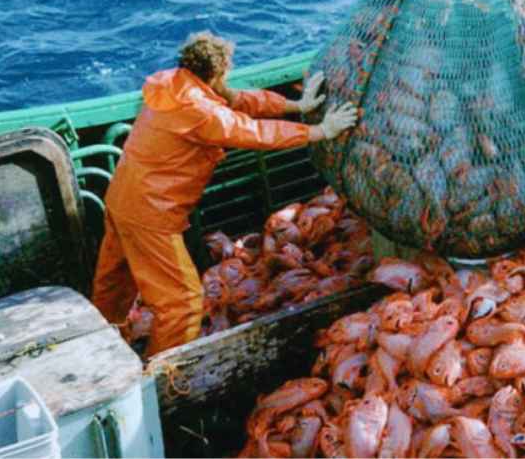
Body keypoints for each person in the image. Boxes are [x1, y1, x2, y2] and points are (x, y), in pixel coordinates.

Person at [91, 31, 357, 358]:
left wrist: (295, 105)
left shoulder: (174, 84)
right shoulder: (201, 111)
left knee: (114, 284)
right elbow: (252, 131)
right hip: (151, 215)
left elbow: (237, 99)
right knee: (185, 303)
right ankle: (159, 380)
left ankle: (101, 346)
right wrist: (319, 131)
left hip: (120, 199)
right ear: (217, 72)